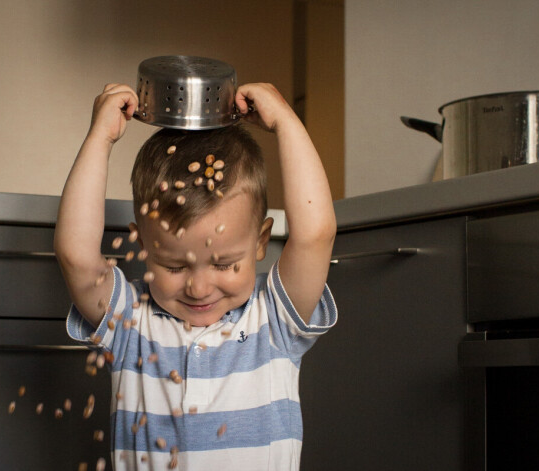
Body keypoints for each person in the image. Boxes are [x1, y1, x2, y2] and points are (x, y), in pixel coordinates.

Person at [54, 81, 338, 471]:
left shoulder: (273, 321)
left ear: (260, 243)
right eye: (174, 265)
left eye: (223, 264)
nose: (199, 287)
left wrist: (286, 123)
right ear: (144, 243)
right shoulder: (131, 319)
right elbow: (76, 256)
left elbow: (315, 235)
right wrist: (99, 138)